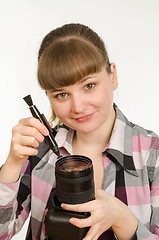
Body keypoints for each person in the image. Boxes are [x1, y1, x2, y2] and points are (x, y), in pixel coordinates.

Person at [0, 23, 158, 240]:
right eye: (62, 95)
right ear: (48, 97)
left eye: (89, 86)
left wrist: (123, 220)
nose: (78, 107)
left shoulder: (153, 155)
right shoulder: (40, 152)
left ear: (112, 76)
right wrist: (13, 162)